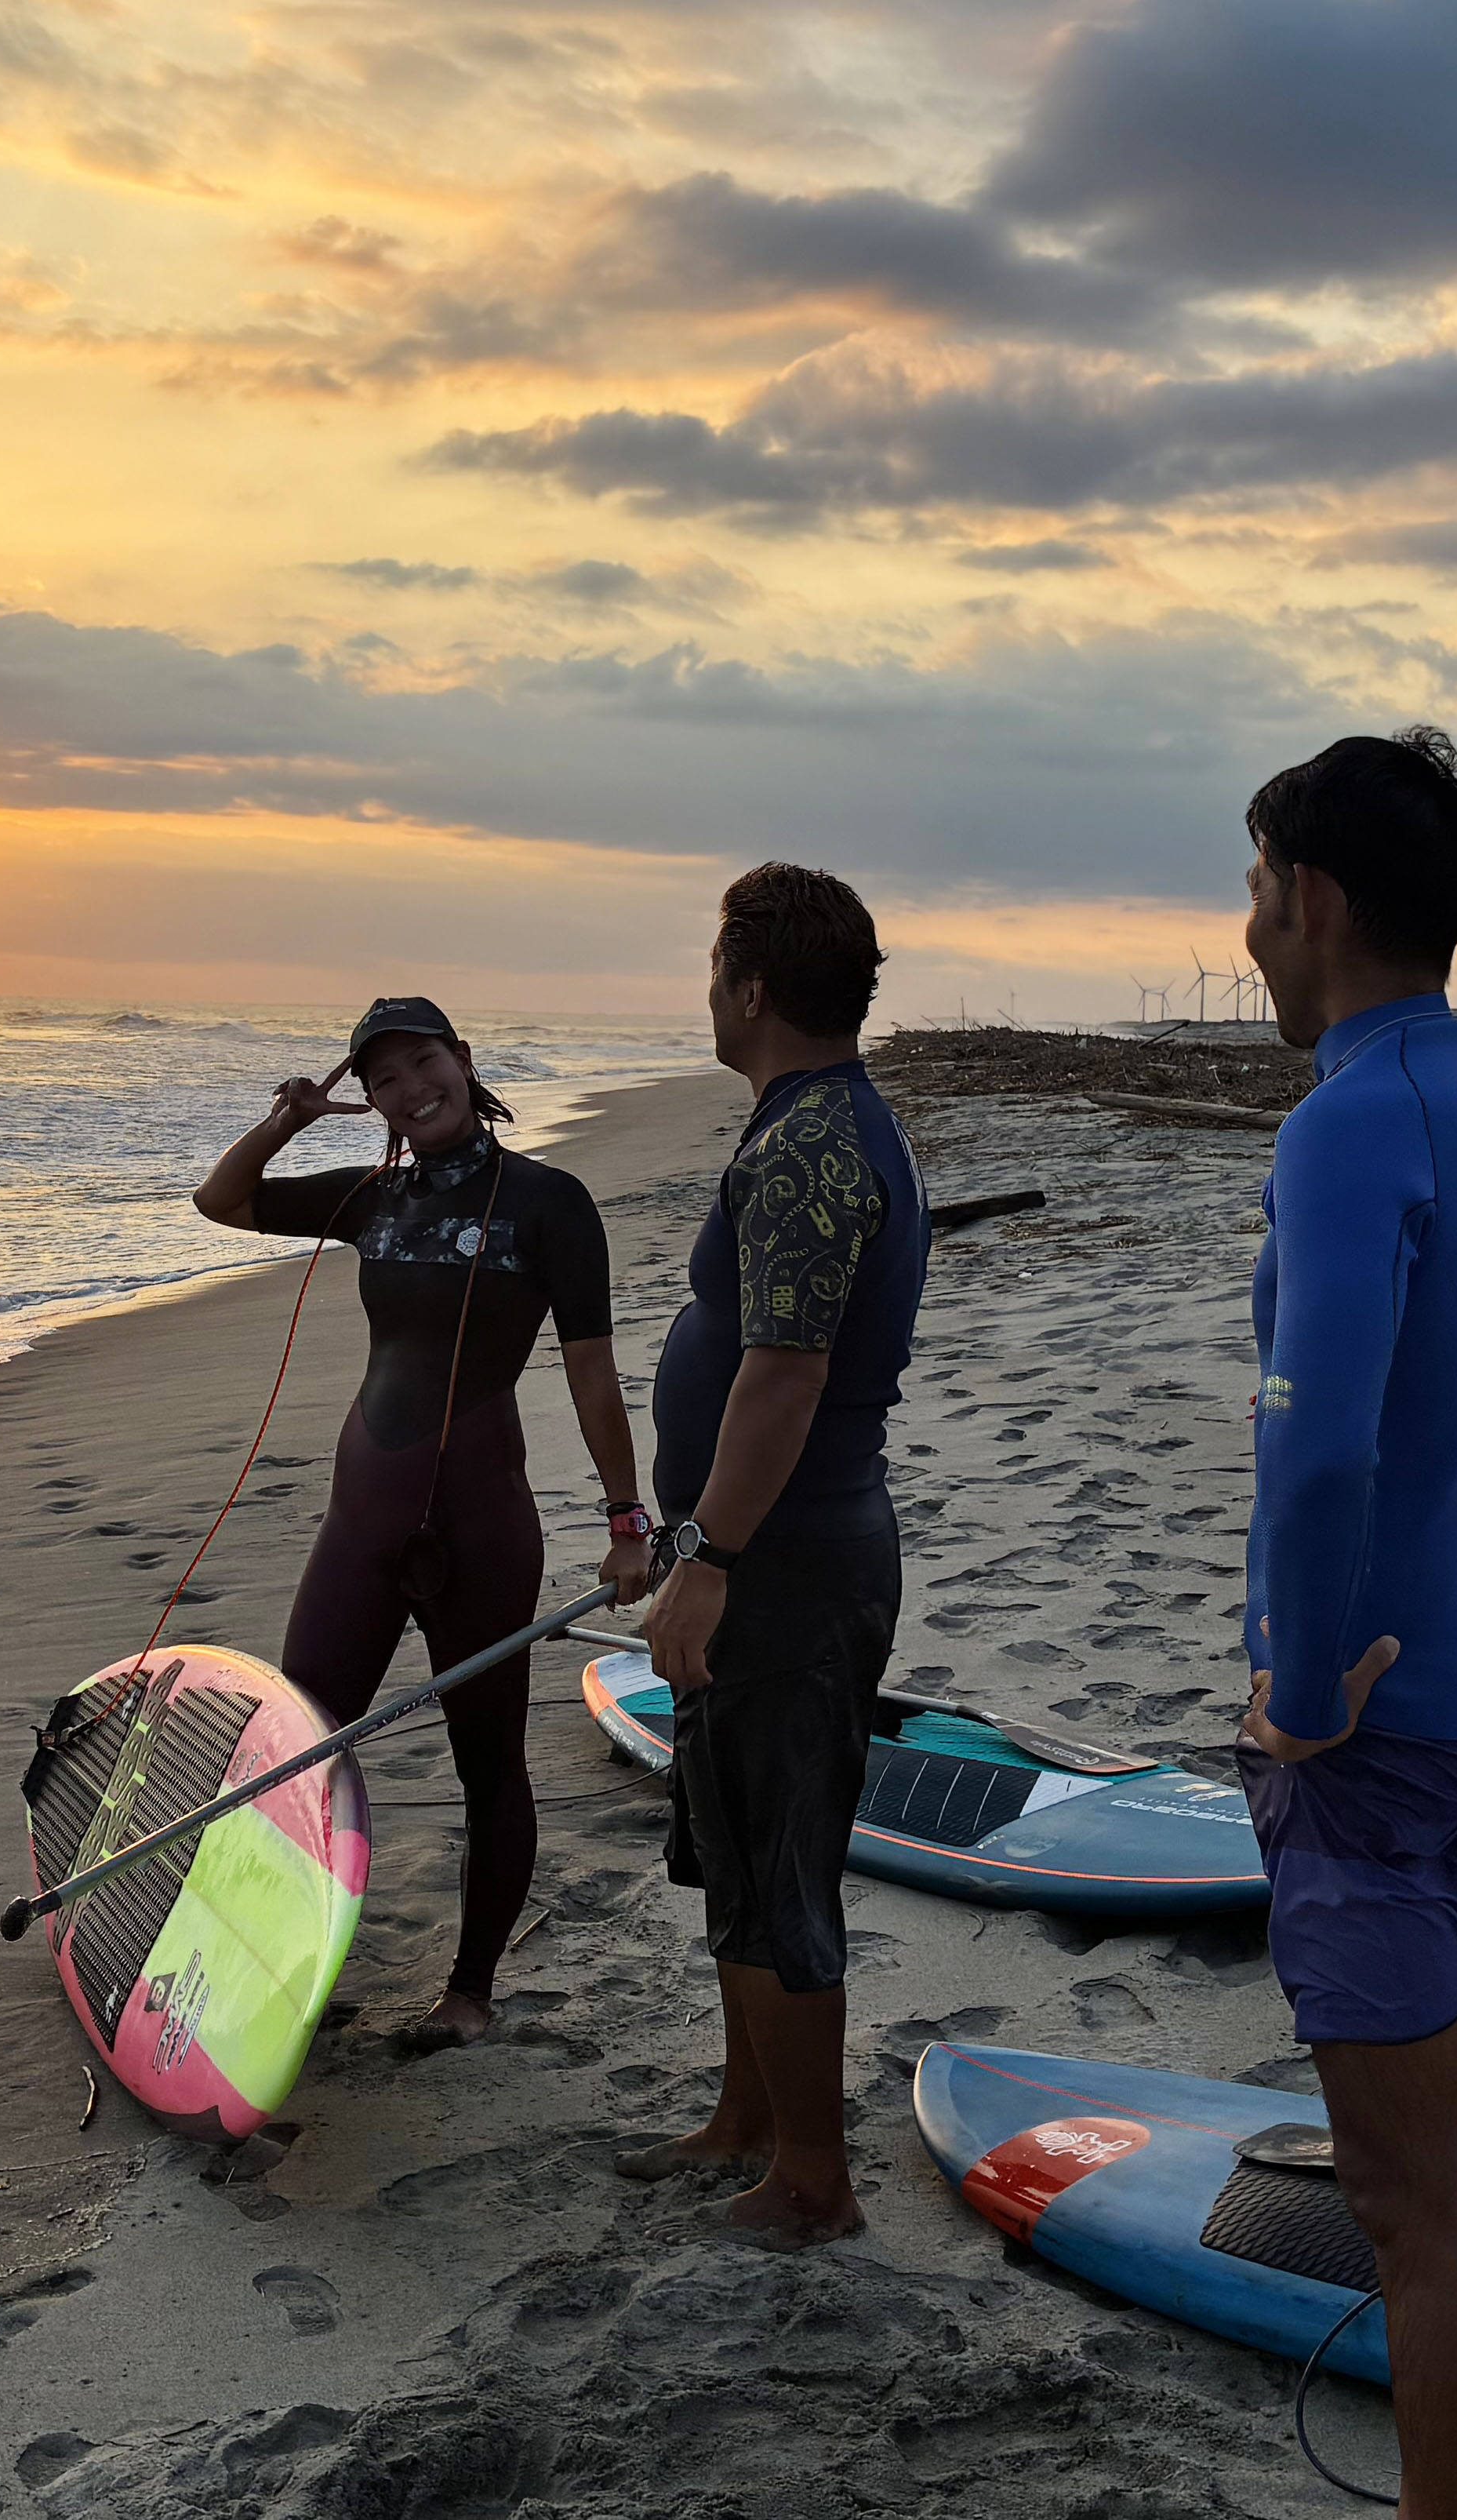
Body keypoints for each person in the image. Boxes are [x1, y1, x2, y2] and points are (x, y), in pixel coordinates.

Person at [1231, 728, 1457, 2520]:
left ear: (1313, 898)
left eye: (1250, 889)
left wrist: (1304, 1682)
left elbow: (1314, 1450)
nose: (1245, 931)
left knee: (1414, 2190)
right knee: (1427, 2171)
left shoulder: (1350, 1118)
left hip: (1372, 1728)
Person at [195, 998, 656, 2052]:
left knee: (488, 1760)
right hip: (363, 1517)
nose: (412, 1086)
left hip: (482, 1521)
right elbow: (221, 1199)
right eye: (386, 1076)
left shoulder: (550, 1202)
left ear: (463, 1060)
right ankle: (267, 1968)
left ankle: (470, 1990)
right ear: (374, 1098)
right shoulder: (372, 1198)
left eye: (425, 1060)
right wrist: (288, 1122)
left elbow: (592, 1371)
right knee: (294, 1745)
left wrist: (626, 1516)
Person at [620, 864, 928, 2252]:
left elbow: (785, 1375)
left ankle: (814, 2176)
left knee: (782, 1866)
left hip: (788, 1564)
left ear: (749, 985)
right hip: (758, 1553)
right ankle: (748, 2116)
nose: (706, 987)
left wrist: (711, 1552)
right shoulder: (808, 1122)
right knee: (733, 1849)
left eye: (712, 963)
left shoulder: (810, 1140)